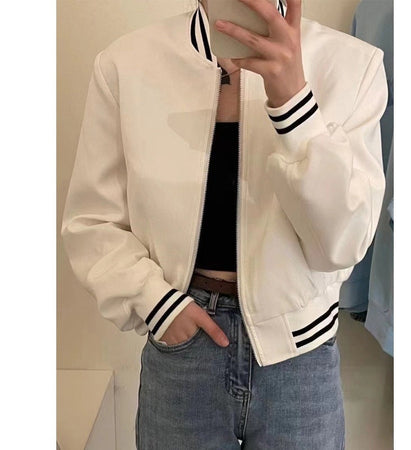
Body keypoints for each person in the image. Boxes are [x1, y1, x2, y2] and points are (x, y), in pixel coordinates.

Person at [61, 0, 388, 448]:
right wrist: (156, 304)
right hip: (182, 343)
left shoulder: (352, 65)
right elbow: (93, 221)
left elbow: (343, 244)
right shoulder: (126, 64)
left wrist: (294, 102)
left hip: (298, 352)